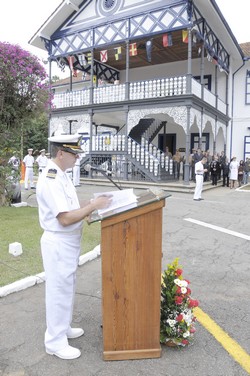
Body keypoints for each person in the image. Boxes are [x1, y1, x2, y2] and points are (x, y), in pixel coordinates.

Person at [36, 134, 112, 360]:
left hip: (68, 242)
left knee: (67, 287)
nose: (77, 158)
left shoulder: (62, 175)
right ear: (61, 153)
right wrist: (92, 207)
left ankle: (63, 328)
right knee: (58, 291)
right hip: (59, 241)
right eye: (74, 154)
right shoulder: (51, 178)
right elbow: (65, 218)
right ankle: (55, 341)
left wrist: (89, 205)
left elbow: (71, 207)